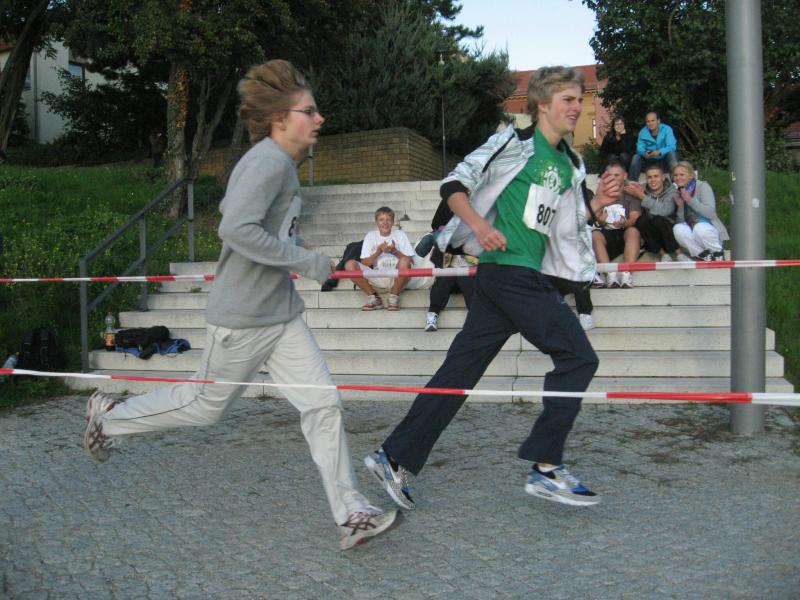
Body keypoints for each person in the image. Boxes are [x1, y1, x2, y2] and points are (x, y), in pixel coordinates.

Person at [82, 59, 397, 551]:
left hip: (283, 316)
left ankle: (351, 513)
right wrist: (306, 262)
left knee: (323, 405)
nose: (319, 119)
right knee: (204, 407)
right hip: (244, 317)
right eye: (309, 111)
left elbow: (251, 220)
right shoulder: (267, 163)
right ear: (280, 119)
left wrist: (304, 252)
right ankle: (110, 419)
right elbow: (234, 229)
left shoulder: (279, 165)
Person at [363, 66, 622, 510]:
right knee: (579, 357)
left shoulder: (569, 164)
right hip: (510, 276)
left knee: (458, 374)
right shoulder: (513, 142)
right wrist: (480, 227)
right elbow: (454, 185)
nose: (577, 108)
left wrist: (599, 203)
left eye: (579, 100)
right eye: (568, 100)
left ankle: (393, 456)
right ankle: (546, 466)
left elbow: (560, 221)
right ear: (543, 105)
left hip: (516, 279)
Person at [344, 206, 415, 311]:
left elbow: (410, 261)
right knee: (349, 265)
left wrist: (394, 251)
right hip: (376, 276)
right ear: (376, 222)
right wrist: (378, 252)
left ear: (393, 222)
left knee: (405, 261)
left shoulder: (400, 234)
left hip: (397, 278)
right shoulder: (370, 236)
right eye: (381, 220)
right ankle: (374, 297)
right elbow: (364, 263)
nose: (385, 223)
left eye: (388, 220)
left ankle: (394, 296)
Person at [591, 160, 642, 288]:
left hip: (625, 232)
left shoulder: (631, 193)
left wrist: (624, 223)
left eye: (617, 175)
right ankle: (610, 275)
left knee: (633, 231)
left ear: (625, 176)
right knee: (595, 234)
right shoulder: (601, 193)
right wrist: (601, 220)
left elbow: (634, 218)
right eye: (610, 175)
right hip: (607, 233)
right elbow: (597, 219)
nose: (613, 178)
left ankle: (627, 273)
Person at [625, 163, 689, 262]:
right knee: (641, 221)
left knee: (658, 219)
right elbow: (625, 183)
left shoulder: (672, 191)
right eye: (649, 177)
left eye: (656, 176)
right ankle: (663, 255)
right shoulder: (643, 189)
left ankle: (679, 254)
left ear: (663, 178)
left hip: (670, 231)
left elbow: (665, 211)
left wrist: (642, 197)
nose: (653, 180)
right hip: (653, 236)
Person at [671, 161, 729, 261]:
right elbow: (681, 222)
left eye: (682, 174)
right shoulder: (678, 192)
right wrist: (680, 206)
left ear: (691, 175)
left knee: (699, 227)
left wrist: (690, 200)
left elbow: (710, 213)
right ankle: (703, 255)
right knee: (677, 228)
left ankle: (717, 252)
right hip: (693, 233)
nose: (678, 178)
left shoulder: (702, 186)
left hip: (708, 231)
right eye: (675, 175)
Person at [628, 111, 678, 182]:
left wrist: (660, 152)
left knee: (672, 154)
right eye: (648, 121)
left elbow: (672, 146)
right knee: (636, 157)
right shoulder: (642, 132)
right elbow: (639, 148)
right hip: (649, 161)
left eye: (653, 120)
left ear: (658, 121)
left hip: (664, 161)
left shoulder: (667, 129)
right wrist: (644, 153)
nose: (650, 123)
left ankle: (676, 184)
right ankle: (631, 184)